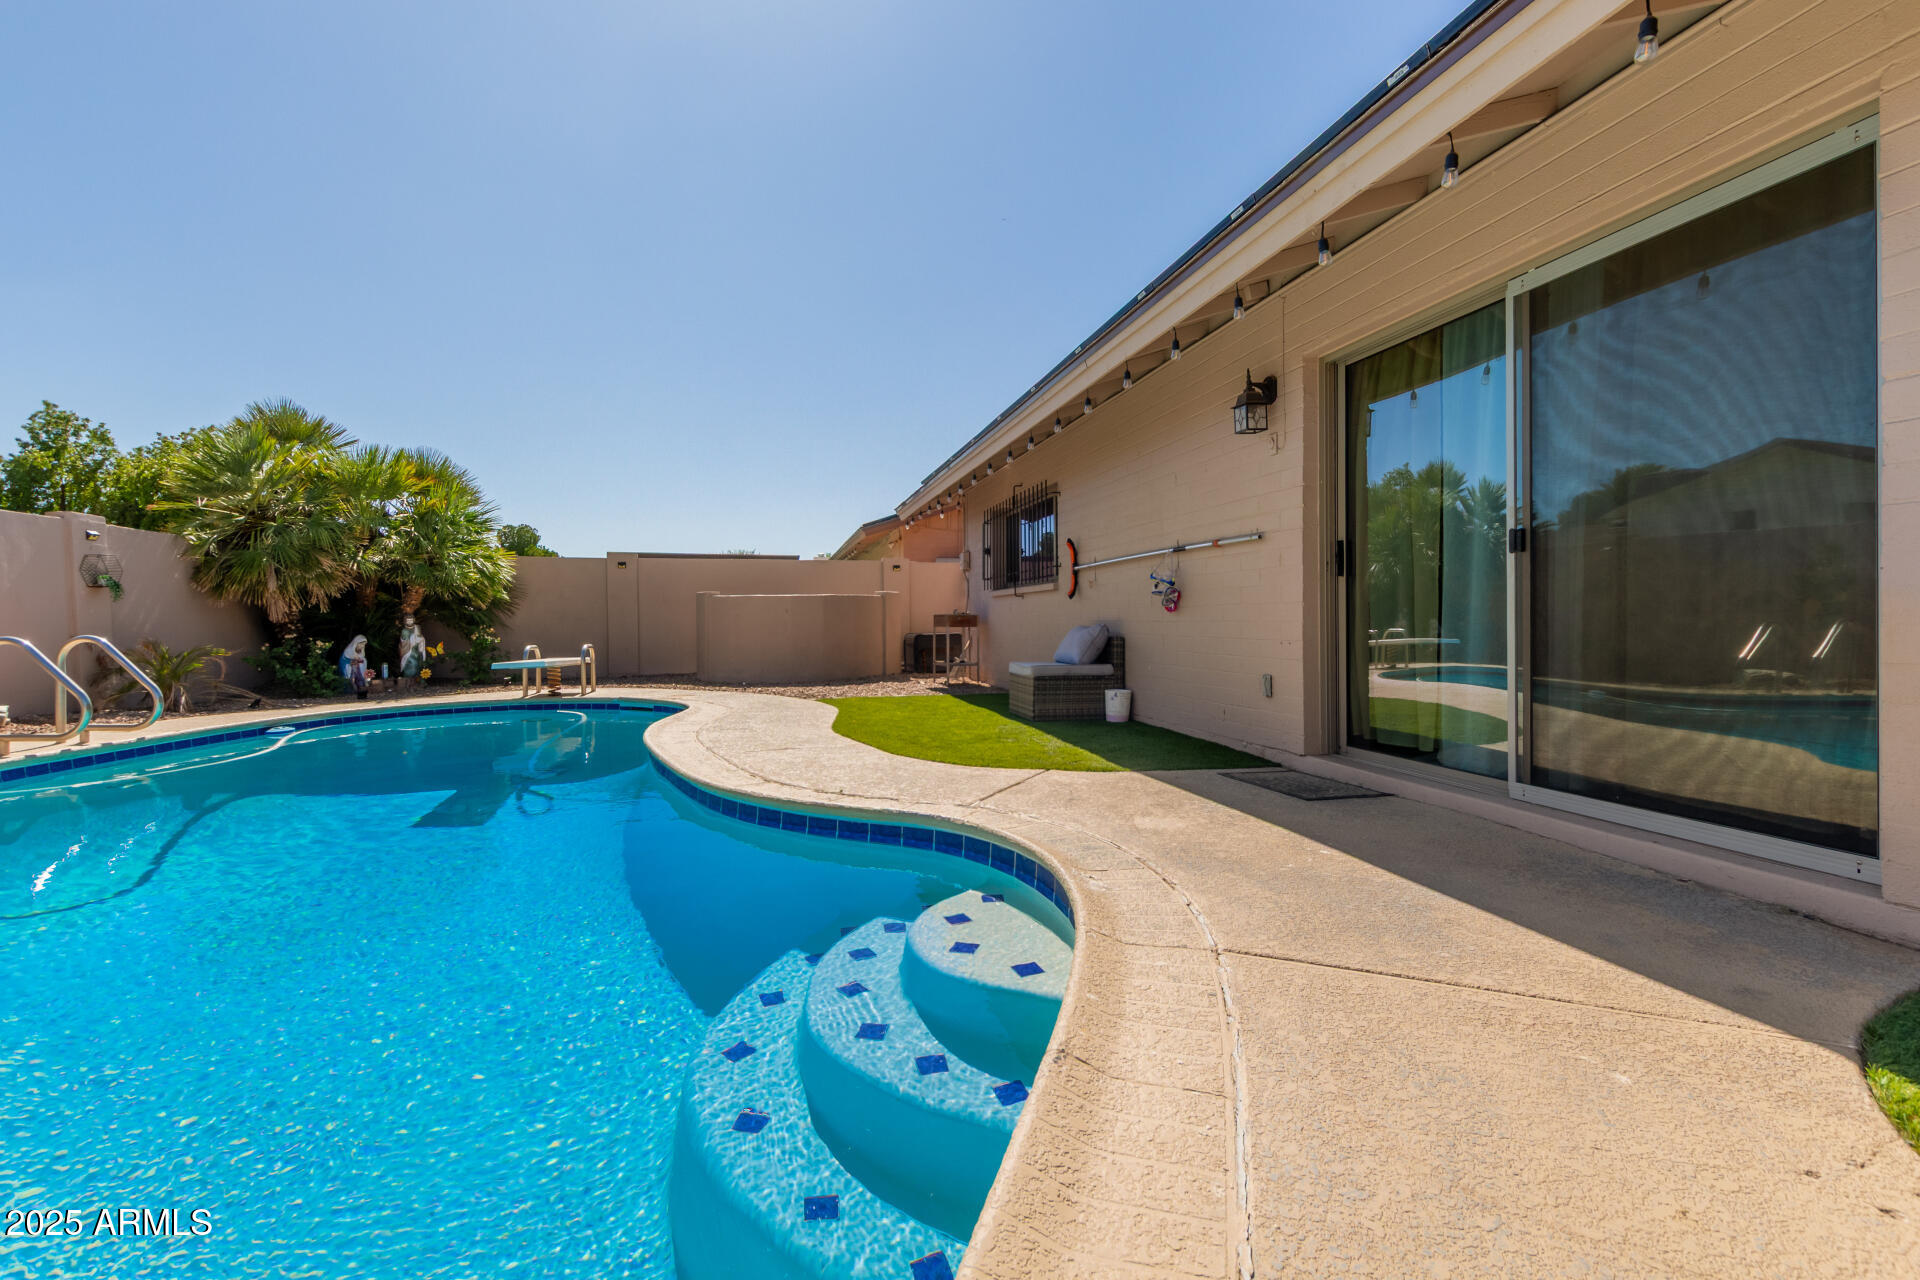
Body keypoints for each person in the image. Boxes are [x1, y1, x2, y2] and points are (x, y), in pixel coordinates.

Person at [397, 615, 428, 690]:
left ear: (414, 620)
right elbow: (404, 642)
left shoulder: (417, 628)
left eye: (411, 620)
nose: (410, 622)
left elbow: (420, 637)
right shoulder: (404, 630)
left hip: (416, 650)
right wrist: (412, 640)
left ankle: (417, 682)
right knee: (413, 664)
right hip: (408, 652)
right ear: (405, 621)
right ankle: (408, 682)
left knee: (418, 665)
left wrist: (420, 639)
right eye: (408, 620)